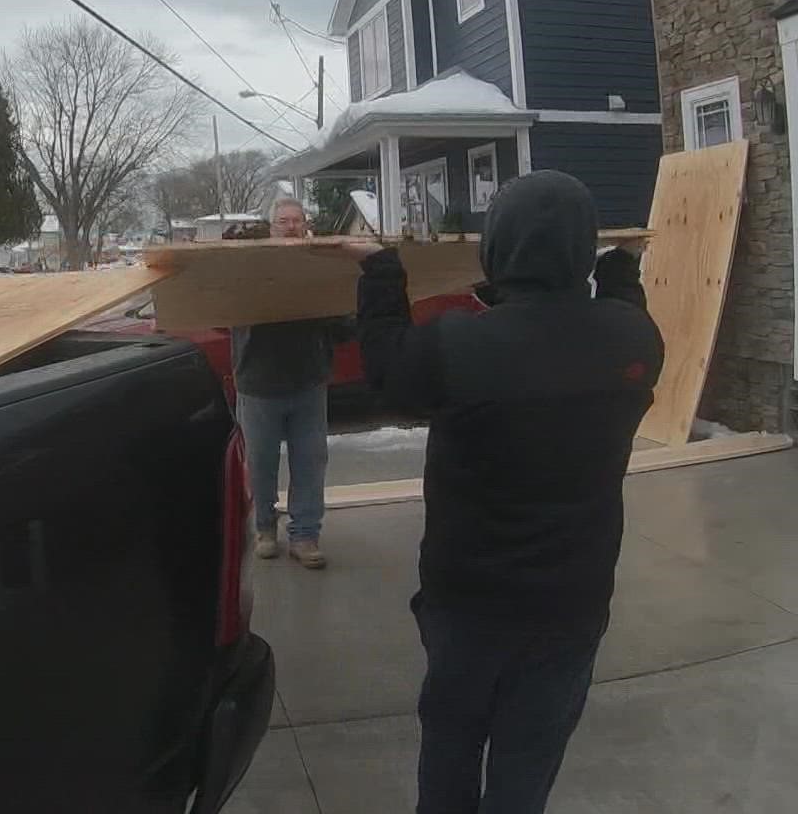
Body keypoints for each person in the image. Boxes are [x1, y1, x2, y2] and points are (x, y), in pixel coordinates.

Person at [326, 170, 661, 814]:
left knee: (451, 741)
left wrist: (381, 272)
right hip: (574, 598)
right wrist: (623, 268)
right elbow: (622, 311)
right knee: (529, 757)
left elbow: (390, 370)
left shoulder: (460, 345)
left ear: (497, 248)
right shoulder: (633, 342)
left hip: (469, 600)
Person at [232, 195, 346, 569]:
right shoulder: (248, 268)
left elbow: (341, 322)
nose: (291, 226)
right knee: (260, 463)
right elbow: (219, 312)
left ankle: (305, 536)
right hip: (258, 383)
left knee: (311, 462)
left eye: (297, 220)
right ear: (271, 226)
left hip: (308, 380)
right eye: (283, 221)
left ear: (305, 224)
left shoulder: (317, 266)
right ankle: (264, 528)